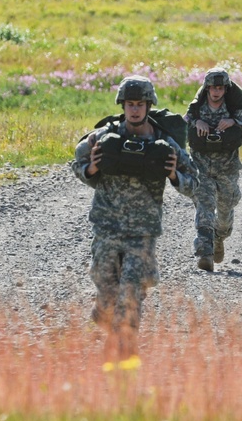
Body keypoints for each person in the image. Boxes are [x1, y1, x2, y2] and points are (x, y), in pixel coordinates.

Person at [71, 75, 198, 361]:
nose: (135, 110)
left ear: (149, 105)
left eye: (140, 104)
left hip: (143, 231)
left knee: (131, 291)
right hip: (106, 227)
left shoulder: (164, 142)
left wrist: (174, 174)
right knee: (106, 297)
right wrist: (90, 169)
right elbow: (77, 163)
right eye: (130, 104)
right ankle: (110, 325)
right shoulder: (103, 136)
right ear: (123, 105)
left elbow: (194, 183)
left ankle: (123, 351)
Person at [185, 67, 242, 272]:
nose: (216, 92)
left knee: (224, 217)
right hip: (201, 168)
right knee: (205, 207)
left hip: (227, 169)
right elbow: (183, 127)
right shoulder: (196, 109)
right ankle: (204, 253)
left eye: (220, 88)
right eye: (212, 88)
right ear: (207, 89)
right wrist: (197, 121)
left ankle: (219, 240)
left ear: (225, 89)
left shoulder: (235, 110)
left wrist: (234, 123)